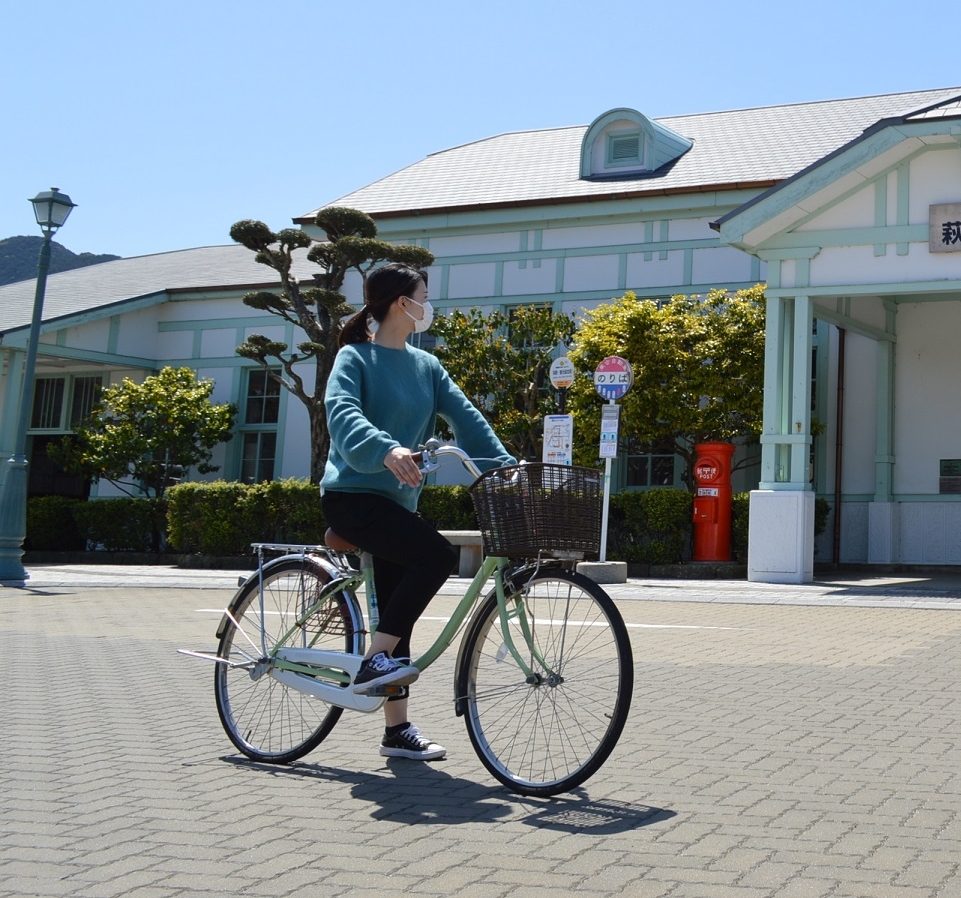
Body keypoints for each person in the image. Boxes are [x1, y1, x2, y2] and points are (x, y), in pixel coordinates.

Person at [320, 262, 515, 761]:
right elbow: (343, 411)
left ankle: (395, 731)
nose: (430, 304)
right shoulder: (355, 357)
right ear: (401, 303)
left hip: (396, 504)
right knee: (435, 557)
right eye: (424, 295)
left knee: (396, 612)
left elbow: (467, 418)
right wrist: (386, 449)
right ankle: (374, 661)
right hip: (353, 497)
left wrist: (506, 466)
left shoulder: (426, 366)